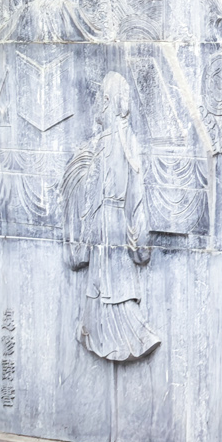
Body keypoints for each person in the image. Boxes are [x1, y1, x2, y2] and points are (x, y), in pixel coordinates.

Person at [61, 74, 159, 363]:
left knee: (114, 286)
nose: (96, 105)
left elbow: (112, 188)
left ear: (107, 101)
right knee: (102, 284)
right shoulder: (123, 141)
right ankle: (96, 332)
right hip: (108, 223)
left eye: (100, 99)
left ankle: (132, 338)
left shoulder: (112, 142)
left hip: (110, 223)